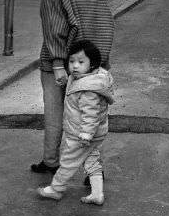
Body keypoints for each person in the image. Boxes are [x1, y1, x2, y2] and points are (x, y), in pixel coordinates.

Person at [31, 0, 115, 176]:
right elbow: (106, 23)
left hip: (62, 63)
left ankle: (50, 160)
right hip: (92, 63)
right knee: (90, 118)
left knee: (55, 112)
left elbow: (54, 28)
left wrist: (58, 63)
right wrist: (100, 63)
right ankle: (93, 171)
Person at [37, 39, 114, 206]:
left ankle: (56, 189)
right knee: (92, 161)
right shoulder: (86, 78)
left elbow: (91, 114)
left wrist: (86, 134)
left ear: (92, 64)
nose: (75, 66)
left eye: (81, 62)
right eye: (72, 61)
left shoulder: (88, 89)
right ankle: (97, 194)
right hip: (93, 133)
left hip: (83, 134)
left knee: (68, 161)